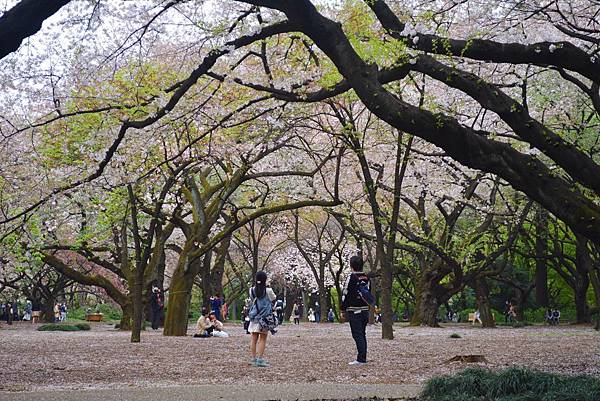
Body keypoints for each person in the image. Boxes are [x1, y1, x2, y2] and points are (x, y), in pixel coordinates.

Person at [341, 255, 371, 365]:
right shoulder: (366, 278)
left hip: (354, 310)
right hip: (364, 310)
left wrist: (343, 309)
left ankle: (361, 359)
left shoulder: (351, 277)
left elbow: (346, 293)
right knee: (362, 334)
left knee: (357, 334)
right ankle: (362, 357)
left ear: (351, 265)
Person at [248, 271, 276, 367]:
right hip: (264, 319)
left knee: (253, 338)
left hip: (254, 317)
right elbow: (273, 298)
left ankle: (253, 359)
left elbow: (252, 300)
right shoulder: (268, 290)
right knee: (263, 339)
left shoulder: (251, 290)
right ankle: (260, 359)